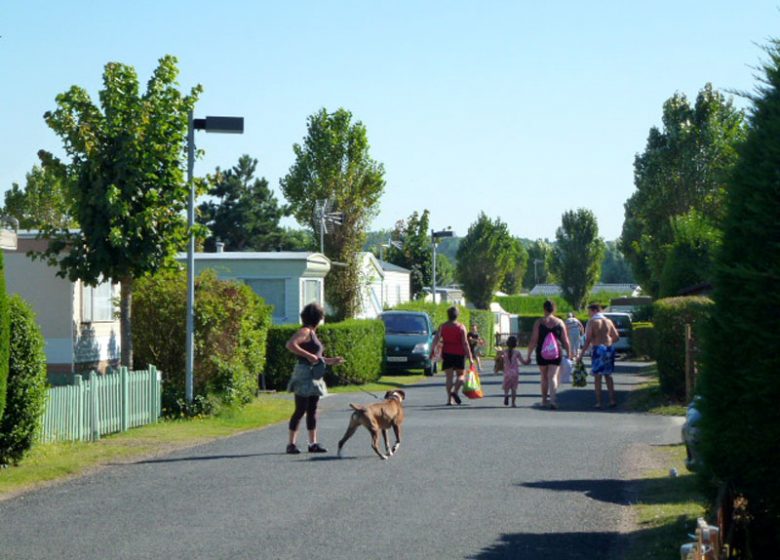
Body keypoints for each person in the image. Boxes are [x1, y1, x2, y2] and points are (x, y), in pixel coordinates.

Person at [285, 303, 345, 454]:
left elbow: (318, 358)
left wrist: (331, 361)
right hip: (304, 374)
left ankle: (313, 443)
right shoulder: (305, 331)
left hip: (314, 374)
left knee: (312, 410)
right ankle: (291, 444)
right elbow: (290, 345)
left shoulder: (312, 332)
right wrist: (309, 355)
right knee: (300, 409)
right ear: (317, 318)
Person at [525, 299, 571, 410]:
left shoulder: (539, 322)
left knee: (544, 377)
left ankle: (544, 400)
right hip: (556, 352)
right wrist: (569, 354)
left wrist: (528, 355)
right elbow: (565, 340)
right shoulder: (560, 322)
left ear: (544, 309)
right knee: (553, 376)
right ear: (554, 309)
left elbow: (533, 340)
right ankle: (553, 400)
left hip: (542, 352)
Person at [577, 303, 620, 409]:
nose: (588, 314)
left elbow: (587, 339)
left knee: (597, 377)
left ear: (594, 310)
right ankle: (612, 400)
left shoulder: (592, 322)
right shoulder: (608, 321)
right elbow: (616, 336)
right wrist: (609, 342)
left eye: (589, 311)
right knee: (608, 375)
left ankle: (599, 402)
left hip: (597, 349)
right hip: (608, 349)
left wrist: (581, 355)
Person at [430, 306, 474, 405]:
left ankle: (449, 399)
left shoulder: (442, 326)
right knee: (461, 375)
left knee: (449, 377)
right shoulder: (461, 327)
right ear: (457, 315)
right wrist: (470, 357)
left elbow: (436, 339)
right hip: (459, 353)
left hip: (446, 353)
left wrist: (432, 351)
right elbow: (465, 343)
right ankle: (455, 391)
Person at [501, 335, 527, 407]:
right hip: (515, 372)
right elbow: (523, 362)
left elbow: (499, 359)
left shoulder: (504, 352)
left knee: (506, 387)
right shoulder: (517, 352)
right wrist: (527, 361)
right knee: (514, 388)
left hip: (507, 372)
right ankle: (513, 403)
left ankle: (506, 395)